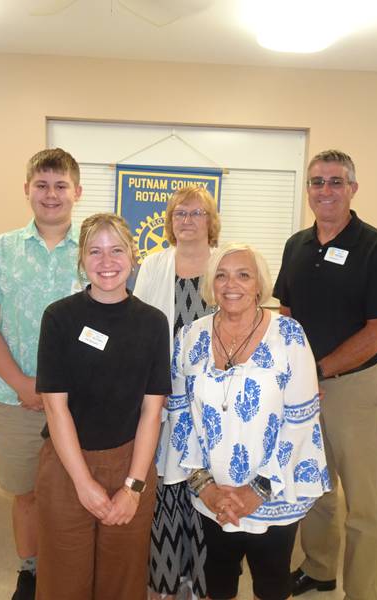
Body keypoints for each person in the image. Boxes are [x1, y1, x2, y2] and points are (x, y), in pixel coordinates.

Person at [274, 150, 377, 600]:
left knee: (363, 504)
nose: (325, 190)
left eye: (336, 182)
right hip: (303, 390)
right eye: (317, 182)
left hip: (353, 389)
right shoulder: (297, 245)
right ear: (307, 189)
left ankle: (363, 592)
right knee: (314, 489)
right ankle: (318, 569)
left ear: (353, 188)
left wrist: (319, 370)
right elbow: (287, 312)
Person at [160, 243, 331, 600]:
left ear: (259, 285)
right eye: (220, 275)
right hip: (213, 493)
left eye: (243, 274)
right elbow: (179, 414)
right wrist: (203, 484)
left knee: (271, 585)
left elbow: (301, 420)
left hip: (274, 492)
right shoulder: (190, 336)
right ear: (210, 284)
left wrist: (258, 490)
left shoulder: (289, 335)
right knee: (218, 582)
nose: (230, 284)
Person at [34, 213, 170, 600]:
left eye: (116, 250)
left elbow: (151, 411)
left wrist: (133, 487)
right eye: (95, 251)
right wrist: (82, 482)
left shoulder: (153, 323)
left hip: (132, 463)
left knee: (123, 581)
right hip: (66, 464)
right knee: (64, 579)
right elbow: (55, 408)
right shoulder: (59, 318)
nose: (106, 261)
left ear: (133, 255)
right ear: (81, 258)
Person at [0, 148, 83, 600]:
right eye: (42, 185)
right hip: (15, 397)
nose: (51, 194)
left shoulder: (98, 248)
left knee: (79, 491)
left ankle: (72, 571)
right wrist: (22, 383)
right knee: (27, 493)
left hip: (81, 402)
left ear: (77, 191)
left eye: (60, 185)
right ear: (27, 190)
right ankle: (31, 572)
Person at [134, 185, 221, 600]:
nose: (187, 220)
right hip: (164, 397)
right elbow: (137, 326)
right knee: (168, 484)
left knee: (206, 484)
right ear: (170, 221)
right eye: (179, 213)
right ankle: (168, 578)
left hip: (215, 400)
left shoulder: (225, 265)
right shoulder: (153, 265)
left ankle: (205, 579)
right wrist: (154, 384)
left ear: (211, 220)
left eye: (196, 213)